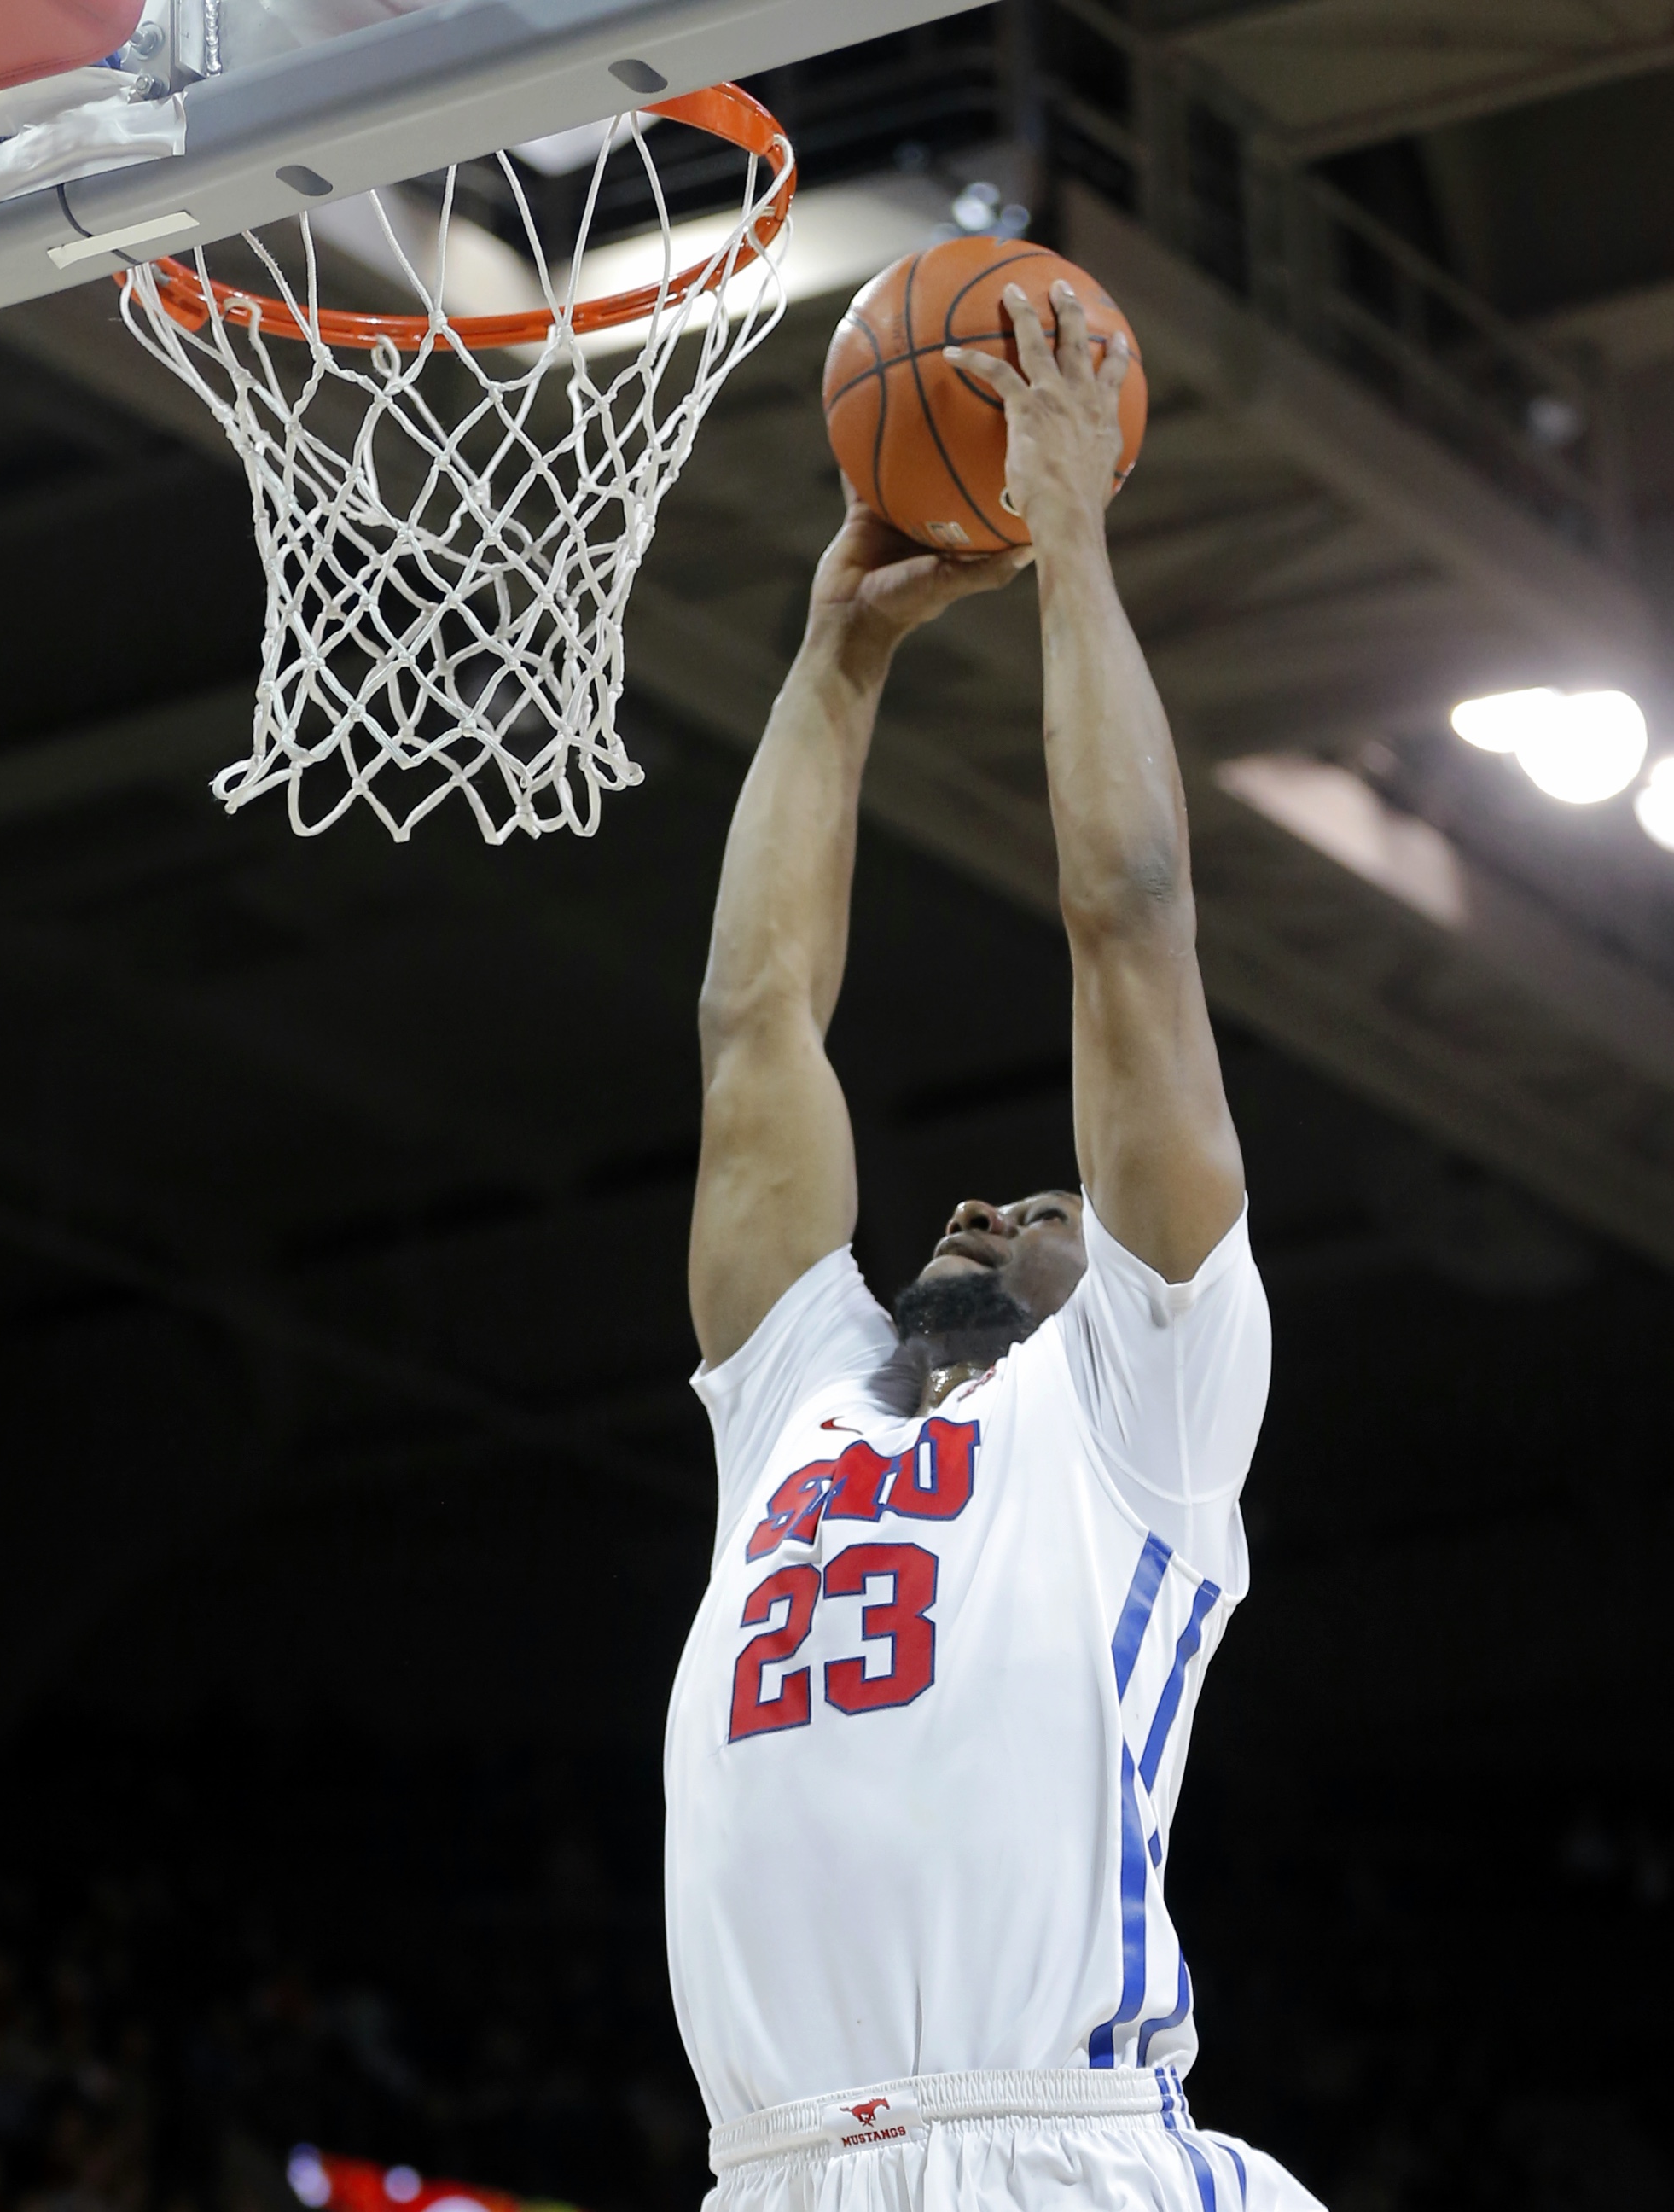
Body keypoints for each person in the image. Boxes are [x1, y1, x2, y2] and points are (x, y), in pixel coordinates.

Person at [665, 280, 1322, 2212]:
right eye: (988, 1200)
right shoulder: (798, 1403)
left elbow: (1132, 919)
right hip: (772, 2172)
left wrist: (1071, 544)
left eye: (1044, 1212)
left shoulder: (1139, 1416)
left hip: (1057, 2148)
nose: (978, 1207)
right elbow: (754, 1021)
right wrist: (833, 662)